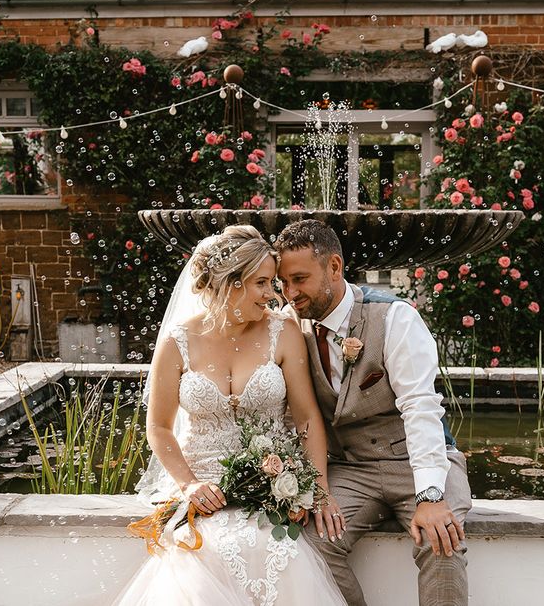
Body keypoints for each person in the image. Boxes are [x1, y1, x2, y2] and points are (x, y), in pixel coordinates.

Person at [114, 225, 347, 606]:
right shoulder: (177, 342)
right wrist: (189, 484)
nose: (274, 295)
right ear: (231, 283)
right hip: (204, 490)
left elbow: (306, 419)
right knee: (202, 554)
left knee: (269, 547)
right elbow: (157, 427)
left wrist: (314, 490)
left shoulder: (283, 331)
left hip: (271, 488)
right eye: (263, 283)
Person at [276, 219, 472, 606]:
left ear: (334, 267)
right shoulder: (289, 326)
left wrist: (431, 496)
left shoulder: (395, 317)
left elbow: (420, 407)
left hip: (415, 462)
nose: (289, 293)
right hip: (350, 468)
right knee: (309, 546)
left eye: (299, 279)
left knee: (441, 541)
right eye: (283, 282)